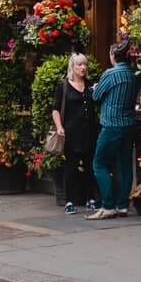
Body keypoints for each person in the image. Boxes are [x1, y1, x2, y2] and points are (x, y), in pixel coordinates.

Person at [88, 41, 140, 219]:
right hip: (129, 124)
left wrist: (96, 88)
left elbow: (95, 96)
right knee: (125, 165)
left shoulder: (110, 74)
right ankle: (123, 206)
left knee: (99, 163)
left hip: (111, 124)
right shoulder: (134, 74)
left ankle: (108, 206)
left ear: (113, 56)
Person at [52, 53, 98, 215]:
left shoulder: (91, 84)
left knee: (90, 167)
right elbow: (56, 109)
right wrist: (59, 126)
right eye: (79, 65)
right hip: (71, 133)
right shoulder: (63, 86)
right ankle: (69, 200)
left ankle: (91, 198)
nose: (83, 67)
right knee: (71, 167)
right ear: (72, 67)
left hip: (90, 132)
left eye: (85, 64)